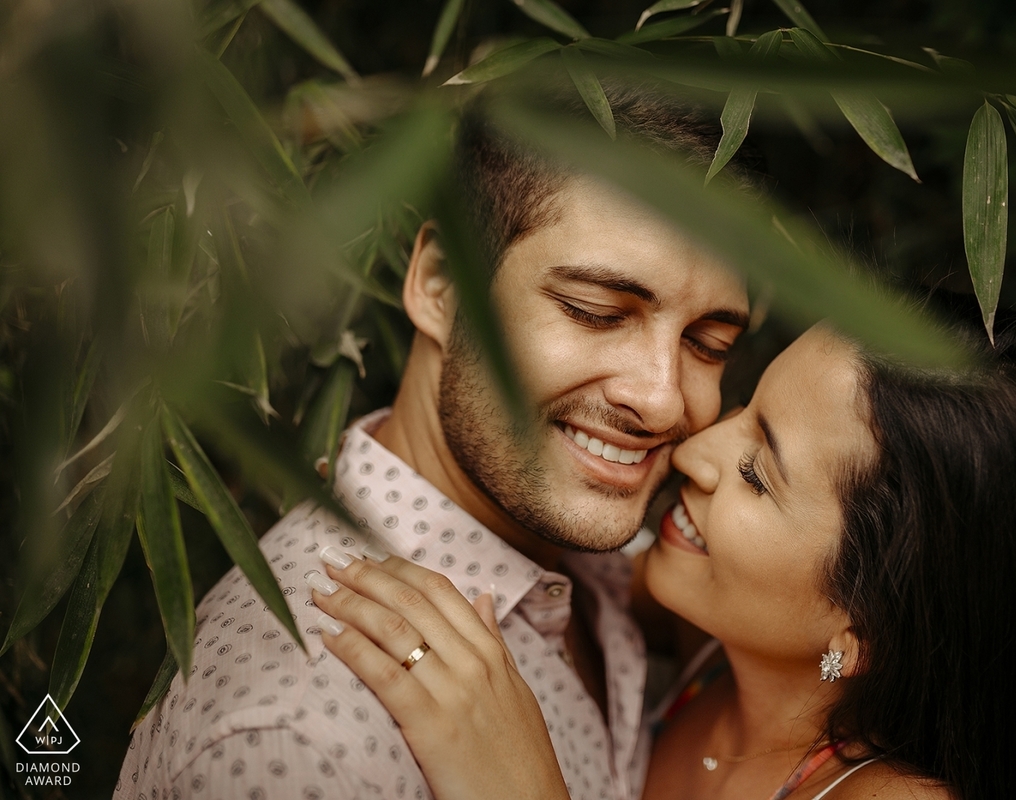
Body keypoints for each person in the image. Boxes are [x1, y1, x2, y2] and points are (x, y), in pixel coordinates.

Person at [114, 85, 757, 800]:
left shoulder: (611, 582)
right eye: (597, 313)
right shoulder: (298, 738)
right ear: (440, 286)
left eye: (708, 343)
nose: (665, 398)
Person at [312, 295, 1016, 800]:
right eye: (747, 407)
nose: (692, 449)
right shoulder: (702, 643)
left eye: (758, 473)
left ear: (863, 628)